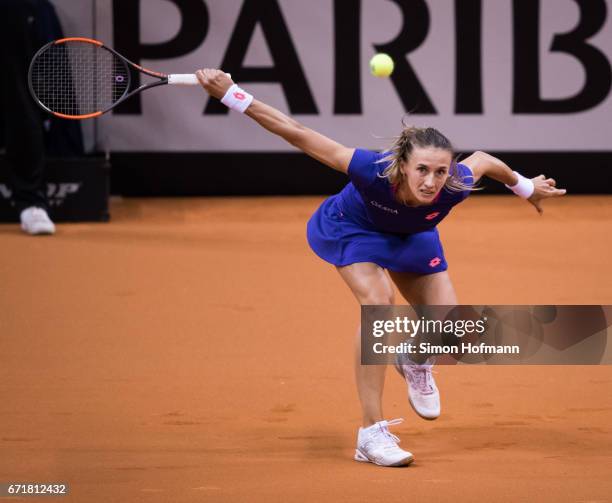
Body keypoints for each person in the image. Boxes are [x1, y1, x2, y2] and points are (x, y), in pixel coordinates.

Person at [195, 69, 566, 467]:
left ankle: (414, 360)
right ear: (403, 164)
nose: (431, 181)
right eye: (422, 169)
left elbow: (487, 162)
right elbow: (294, 130)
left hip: (410, 234)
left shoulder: (455, 183)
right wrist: (231, 94)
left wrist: (525, 186)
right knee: (380, 305)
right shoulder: (370, 170)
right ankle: (371, 434)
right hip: (353, 229)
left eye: (440, 171)